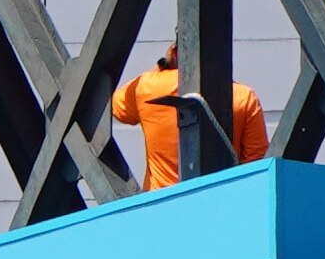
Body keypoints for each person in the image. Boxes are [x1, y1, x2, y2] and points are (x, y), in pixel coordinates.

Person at [108, 41, 267, 188]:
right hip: (218, 205)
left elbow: (116, 107)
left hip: (162, 208)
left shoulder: (148, 86)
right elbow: (256, 166)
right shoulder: (244, 97)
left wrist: (162, 65)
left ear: (177, 51)